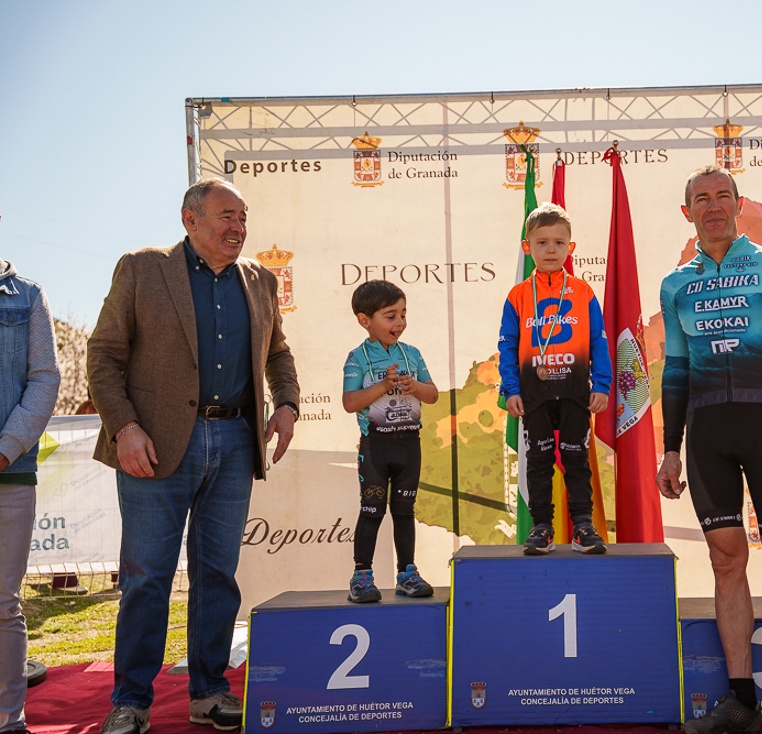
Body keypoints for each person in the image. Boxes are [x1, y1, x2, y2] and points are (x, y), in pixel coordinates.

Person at [88, 179, 299, 734]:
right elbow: (103, 355)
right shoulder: (142, 268)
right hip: (153, 447)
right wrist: (124, 427)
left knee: (217, 576)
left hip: (235, 443)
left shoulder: (260, 279)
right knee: (146, 578)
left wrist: (287, 404)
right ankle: (131, 701)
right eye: (226, 216)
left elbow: (278, 352)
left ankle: (208, 692)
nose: (238, 227)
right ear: (190, 219)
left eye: (243, 217)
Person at [656, 166, 762, 734]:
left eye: (722, 196)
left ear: (738, 204)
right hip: (706, 432)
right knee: (726, 560)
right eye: (701, 199)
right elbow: (675, 370)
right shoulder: (675, 284)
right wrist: (671, 449)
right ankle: (742, 703)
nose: (712, 206)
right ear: (687, 212)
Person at [498, 203, 613, 554]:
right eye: (542, 242)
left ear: (570, 248)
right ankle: (542, 528)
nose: (551, 250)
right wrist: (511, 389)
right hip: (535, 395)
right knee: (539, 462)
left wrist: (602, 384)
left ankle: (583, 527)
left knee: (577, 460)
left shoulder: (583, 292)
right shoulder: (518, 296)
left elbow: (598, 340)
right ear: (527, 247)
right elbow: (507, 345)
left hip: (576, 392)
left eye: (559, 243)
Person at [342, 280, 438, 603]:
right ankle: (361, 577)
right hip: (375, 447)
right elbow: (350, 402)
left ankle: (407, 573)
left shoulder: (412, 354)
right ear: (364, 320)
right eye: (390, 316)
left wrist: (415, 387)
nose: (399, 323)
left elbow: (433, 394)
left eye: (403, 315)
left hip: (409, 445)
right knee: (371, 510)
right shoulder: (357, 357)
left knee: (404, 510)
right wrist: (383, 386)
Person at [0, 260, 60, 734]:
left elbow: (44, 378)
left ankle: (8, 719)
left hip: (11, 473)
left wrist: (5, 449)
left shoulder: (27, 296)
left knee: (2, 603)